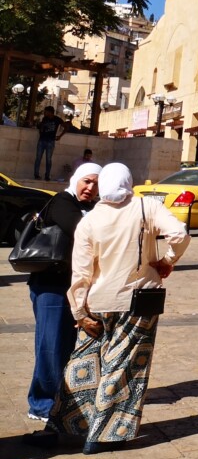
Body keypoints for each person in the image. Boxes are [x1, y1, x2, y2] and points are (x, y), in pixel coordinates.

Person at [35, 163, 190, 454]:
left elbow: (80, 274)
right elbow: (180, 234)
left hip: (98, 303)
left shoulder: (90, 221)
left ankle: (63, 426)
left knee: (83, 364)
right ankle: (102, 436)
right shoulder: (146, 207)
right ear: (129, 182)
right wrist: (166, 261)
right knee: (122, 367)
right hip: (139, 301)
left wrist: (79, 314)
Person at [24, 162, 101, 428]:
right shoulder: (62, 201)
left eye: (96, 184)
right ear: (76, 179)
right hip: (52, 286)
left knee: (68, 349)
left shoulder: (95, 208)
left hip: (77, 289)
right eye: (87, 181)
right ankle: (43, 403)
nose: (91, 188)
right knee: (50, 347)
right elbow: (80, 232)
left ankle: (65, 401)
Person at [33, 106, 67, 180]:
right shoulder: (44, 119)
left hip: (50, 141)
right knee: (38, 158)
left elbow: (66, 127)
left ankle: (47, 175)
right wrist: (40, 129)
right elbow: (41, 128)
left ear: (50, 112)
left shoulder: (57, 119)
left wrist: (60, 136)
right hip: (42, 140)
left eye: (46, 111)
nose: (45, 113)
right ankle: (36, 174)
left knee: (48, 159)